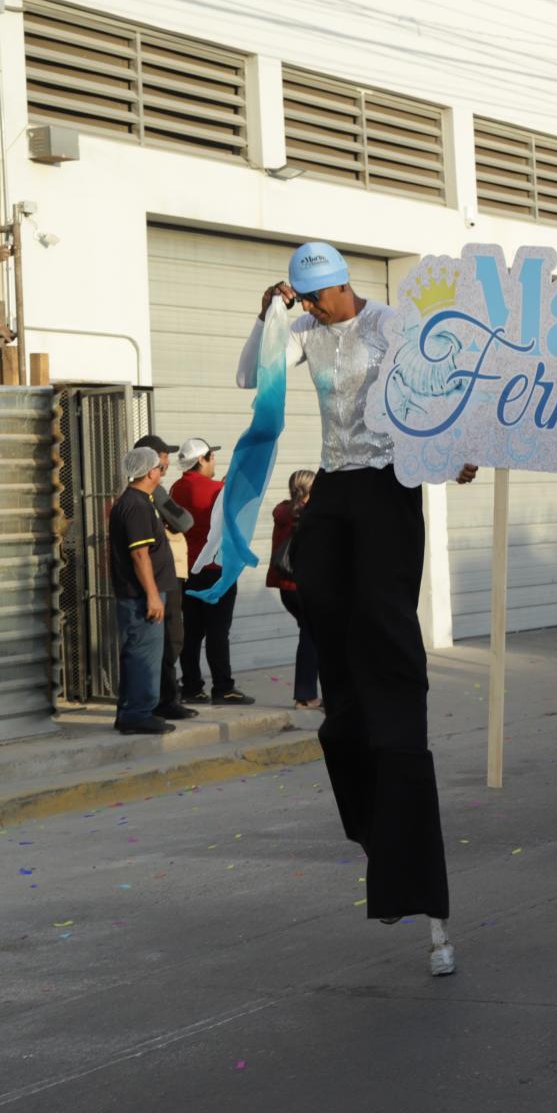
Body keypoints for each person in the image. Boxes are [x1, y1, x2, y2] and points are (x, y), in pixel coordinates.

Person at [244, 240, 475, 978]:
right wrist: (268, 317)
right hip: (337, 486)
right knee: (314, 591)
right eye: (303, 299)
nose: (311, 307)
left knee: (385, 631)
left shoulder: (397, 326)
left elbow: (444, 392)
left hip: (389, 482)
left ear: (344, 285)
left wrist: (458, 449)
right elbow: (252, 376)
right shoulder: (304, 330)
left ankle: (394, 700)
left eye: (318, 297)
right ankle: (349, 717)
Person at [171, 437, 253, 706]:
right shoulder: (217, 490)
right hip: (216, 568)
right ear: (202, 460)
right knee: (218, 630)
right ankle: (223, 687)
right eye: (211, 456)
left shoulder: (175, 488)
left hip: (189, 568)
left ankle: (192, 687)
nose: (214, 461)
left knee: (193, 631)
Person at [109, 446, 178, 735]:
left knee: (136, 654)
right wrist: (152, 594)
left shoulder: (133, 501)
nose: (163, 472)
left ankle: (130, 712)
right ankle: (137, 714)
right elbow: (140, 555)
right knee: (143, 656)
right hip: (141, 597)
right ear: (151, 471)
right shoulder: (136, 505)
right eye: (161, 468)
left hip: (136, 594)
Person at [134, 434, 198, 723]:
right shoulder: (153, 492)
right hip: (161, 576)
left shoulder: (153, 491)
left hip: (167, 573)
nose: (167, 465)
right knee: (170, 637)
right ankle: (165, 699)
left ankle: (165, 696)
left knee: (171, 637)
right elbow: (184, 521)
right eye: (163, 459)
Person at [270, 469, 321, 710]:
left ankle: (307, 694)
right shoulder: (311, 514)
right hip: (305, 585)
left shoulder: (283, 512)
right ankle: (306, 695)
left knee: (311, 634)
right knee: (314, 637)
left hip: (286, 587)